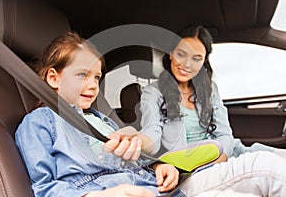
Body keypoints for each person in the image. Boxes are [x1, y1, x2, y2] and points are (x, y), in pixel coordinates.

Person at [15, 32, 182, 197]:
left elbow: (131, 161)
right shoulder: (40, 121)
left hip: (150, 185)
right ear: (54, 78)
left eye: (97, 77)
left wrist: (158, 167)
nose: (94, 85)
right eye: (82, 75)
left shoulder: (103, 120)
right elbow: (43, 188)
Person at [140, 24, 286, 159]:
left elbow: (224, 134)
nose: (187, 64)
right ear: (171, 53)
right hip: (191, 164)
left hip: (227, 154)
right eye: (181, 54)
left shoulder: (209, 88)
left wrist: (221, 158)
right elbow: (151, 133)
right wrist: (138, 142)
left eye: (196, 58)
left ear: (203, 61)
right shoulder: (153, 93)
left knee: (276, 157)